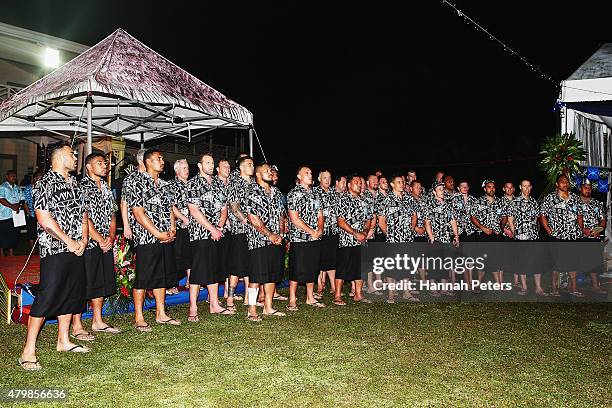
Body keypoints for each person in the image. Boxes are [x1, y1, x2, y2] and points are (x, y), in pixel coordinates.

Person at [19, 143, 89, 371]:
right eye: (73, 154)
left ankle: (64, 340)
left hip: (77, 248)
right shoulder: (45, 183)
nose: (76, 157)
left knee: (71, 294)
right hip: (55, 249)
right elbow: (44, 219)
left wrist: (84, 240)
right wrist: (68, 241)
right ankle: (28, 351)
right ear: (59, 157)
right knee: (47, 296)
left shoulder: (75, 184)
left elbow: (83, 215)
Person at [71, 152, 120, 339]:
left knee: (101, 281)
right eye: (99, 163)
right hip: (89, 244)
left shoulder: (107, 188)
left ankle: (98, 321)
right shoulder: (81, 187)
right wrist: (100, 239)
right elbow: (84, 218)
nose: (104, 165)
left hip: (105, 243)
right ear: (89, 167)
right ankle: (77, 325)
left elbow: (113, 214)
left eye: (105, 163)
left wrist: (110, 237)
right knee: (84, 283)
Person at [130, 148, 180, 331]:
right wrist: (157, 233)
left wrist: (172, 228)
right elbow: (138, 213)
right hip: (146, 238)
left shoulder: (166, 185)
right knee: (143, 278)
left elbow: (170, 209)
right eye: (159, 158)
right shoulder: (138, 182)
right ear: (148, 162)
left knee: (161, 276)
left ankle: (161, 313)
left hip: (165, 236)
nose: (162, 161)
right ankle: (139, 316)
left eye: (162, 158)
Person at [186, 153, 232, 320]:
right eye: (207, 162)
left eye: (212, 162)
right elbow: (194, 210)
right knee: (198, 271)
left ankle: (214, 304)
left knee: (214, 268)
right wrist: (212, 229)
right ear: (199, 166)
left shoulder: (219, 185)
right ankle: (193, 307)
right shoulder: (193, 184)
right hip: (200, 233)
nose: (211, 165)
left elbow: (224, 208)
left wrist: (219, 227)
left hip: (217, 233)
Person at [244, 162, 287, 321]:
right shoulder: (252, 192)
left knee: (271, 275)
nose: (270, 173)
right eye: (266, 171)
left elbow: (282, 215)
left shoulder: (276, 192)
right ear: (257, 174)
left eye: (271, 171)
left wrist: (281, 234)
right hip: (259, 241)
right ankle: (252, 309)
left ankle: (268, 307)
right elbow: (253, 218)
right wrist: (270, 235)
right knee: (256, 276)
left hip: (276, 240)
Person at [287, 166, 325, 310]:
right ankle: (292, 299)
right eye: (306, 173)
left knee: (312, 267)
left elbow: (320, 215)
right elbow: (294, 219)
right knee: (297, 268)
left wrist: (320, 229)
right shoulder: (293, 194)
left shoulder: (316, 194)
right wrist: (311, 231)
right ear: (299, 176)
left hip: (315, 238)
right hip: (299, 238)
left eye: (310, 173)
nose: (310, 175)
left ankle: (310, 297)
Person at [540, 174, 584, 297]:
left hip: (572, 235)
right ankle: (554, 288)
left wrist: (579, 229)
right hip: (556, 236)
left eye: (567, 182)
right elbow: (543, 215)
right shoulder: (550, 198)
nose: (565, 184)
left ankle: (573, 288)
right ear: (557, 184)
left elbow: (580, 215)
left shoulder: (575, 198)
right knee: (556, 263)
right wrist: (548, 229)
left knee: (573, 262)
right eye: (562, 182)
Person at [378, 174, 419, 302]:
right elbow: (381, 221)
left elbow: (414, 215)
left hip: (407, 239)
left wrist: (411, 229)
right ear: (392, 184)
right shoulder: (386, 200)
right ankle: (391, 294)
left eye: (402, 182)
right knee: (392, 267)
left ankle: (406, 293)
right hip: (393, 240)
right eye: (399, 182)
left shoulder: (409, 198)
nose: (402, 184)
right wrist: (390, 235)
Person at [333, 175, 373, 305]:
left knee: (360, 267)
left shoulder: (364, 201)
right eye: (356, 182)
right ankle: (337, 295)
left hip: (361, 240)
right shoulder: (342, 200)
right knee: (343, 267)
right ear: (349, 185)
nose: (359, 184)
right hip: (347, 240)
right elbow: (340, 221)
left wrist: (365, 232)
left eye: (360, 183)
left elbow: (368, 220)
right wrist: (355, 233)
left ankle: (358, 294)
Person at [226, 155, 255, 308]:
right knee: (237, 265)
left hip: (254, 232)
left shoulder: (255, 185)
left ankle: (248, 298)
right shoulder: (235, 183)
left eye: (252, 164)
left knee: (251, 265)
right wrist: (247, 221)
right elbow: (234, 207)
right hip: (240, 230)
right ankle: (230, 298)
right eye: (249, 164)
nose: (252, 166)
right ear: (242, 167)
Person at [470, 180, 508, 286]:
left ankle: (498, 283)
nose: (491, 189)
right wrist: (483, 228)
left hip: (496, 235)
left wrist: (500, 228)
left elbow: (504, 217)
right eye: (489, 187)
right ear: (484, 189)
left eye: (493, 187)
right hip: (483, 235)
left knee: (496, 258)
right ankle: (478, 283)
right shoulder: (479, 201)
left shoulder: (500, 201)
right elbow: (473, 217)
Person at [511, 179, 546, 296]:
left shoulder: (534, 202)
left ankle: (538, 287)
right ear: (520, 187)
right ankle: (524, 287)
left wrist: (536, 232)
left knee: (537, 262)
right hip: (521, 237)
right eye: (524, 186)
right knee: (522, 263)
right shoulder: (514, 202)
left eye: (528, 186)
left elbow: (537, 220)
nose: (526, 188)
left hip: (534, 237)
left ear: (531, 187)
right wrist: (515, 233)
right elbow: (511, 220)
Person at [425, 182, 460, 296]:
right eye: (439, 189)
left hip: (446, 238)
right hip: (435, 239)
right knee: (433, 264)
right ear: (434, 192)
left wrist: (456, 236)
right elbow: (427, 223)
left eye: (443, 189)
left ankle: (444, 288)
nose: (442, 191)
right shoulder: (429, 205)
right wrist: (432, 238)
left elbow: (453, 221)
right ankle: (433, 288)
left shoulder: (448, 205)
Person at [577, 180, 607, 294]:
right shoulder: (574, 202)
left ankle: (595, 286)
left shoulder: (597, 203)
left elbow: (603, 220)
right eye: (585, 187)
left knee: (594, 261)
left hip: (594, 237)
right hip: (579, 237)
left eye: (589, 188)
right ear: (580, 188)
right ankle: (574, 286)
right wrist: (583, 230)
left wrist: (598, 230)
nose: (588, 189)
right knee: (577, 261)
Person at [313, 170, 339, 298]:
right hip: (320, 231)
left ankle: (334, 286)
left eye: (329, 178)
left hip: (333, 230)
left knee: (332, 259)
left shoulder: (335, 192)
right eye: (325, 178)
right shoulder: (315, 193)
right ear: (319, 178)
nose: (327, 180)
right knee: (319, 258)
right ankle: (319, 285)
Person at [450, 180, 478, 287]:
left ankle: (469, 281)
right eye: (462, 186)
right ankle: (459, 280)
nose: (465, 188)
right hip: (459, 231)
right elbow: (451, 217)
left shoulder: (473, 200)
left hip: (470, 231)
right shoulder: (453, 199)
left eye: (466, 186)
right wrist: (454, 234)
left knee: (469, 257)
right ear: (458, 188)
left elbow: (475, 216)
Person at [170, 159, 191, 293]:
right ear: (177, 170)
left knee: (191, 254)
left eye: (187, 167)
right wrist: (183, 218)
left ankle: (191, 280)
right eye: (184, 168)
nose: (187, 170)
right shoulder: (172, 185)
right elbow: (171, 206)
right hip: (178, 225)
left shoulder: (192, 185)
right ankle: (172, 284)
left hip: (192, 226)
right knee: (176, 256)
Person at [120, 149, 146, 242]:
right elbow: (124, 203)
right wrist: (126, 226)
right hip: (137, 226)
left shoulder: (150, 177)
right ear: (141, 161)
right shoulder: (131, 178)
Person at [0, 169, 27, 255]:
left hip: (16, 215)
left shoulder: (17, 187)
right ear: (7, 177)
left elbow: (22, 199)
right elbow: (1, 199)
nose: (14, 177)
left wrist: (19, 205)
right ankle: (2, 253)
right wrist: (12, 206)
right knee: (3, 235)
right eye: (12, 175)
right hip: (4, 215)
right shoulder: (2, 187)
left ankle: (11, 253)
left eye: (15, 176)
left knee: (13, 235)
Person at [23, 171, 42, 250]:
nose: (41, 180)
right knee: (31, 232)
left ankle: (40, 248)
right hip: (32, 214)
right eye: (39, 178)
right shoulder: (28, 188)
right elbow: (25, 203)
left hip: (41, 214)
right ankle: (32, 249)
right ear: (35, 178)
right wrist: (29, 213)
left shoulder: (42, 188)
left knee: (41, 232)